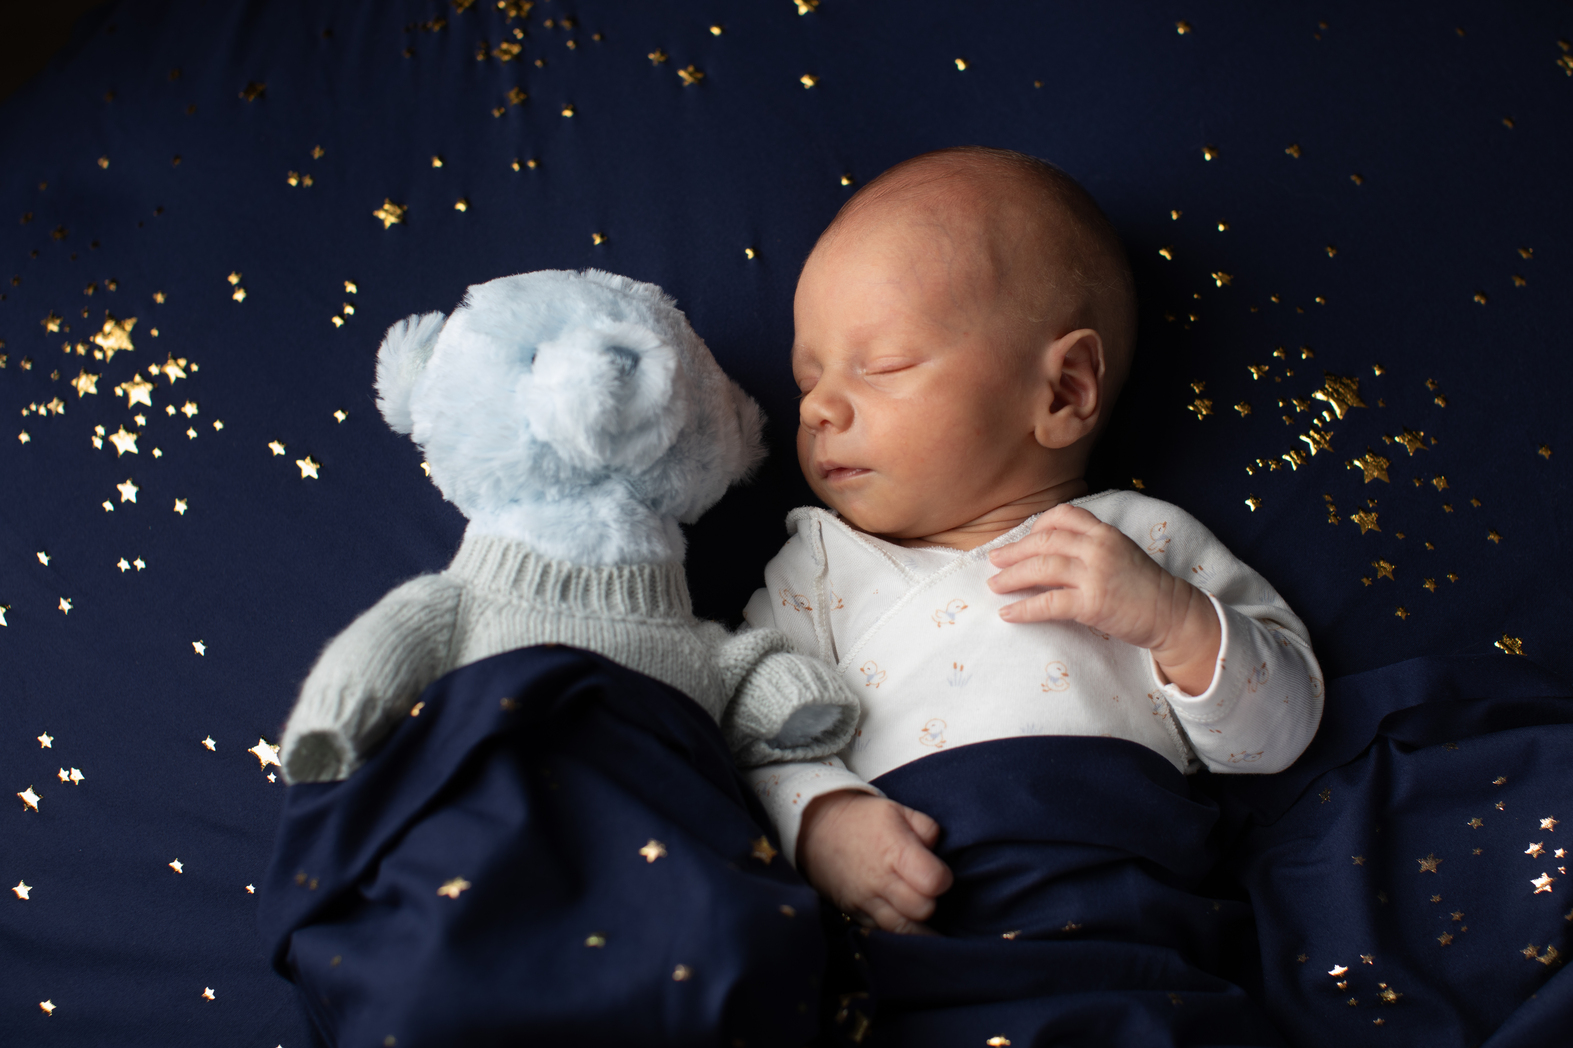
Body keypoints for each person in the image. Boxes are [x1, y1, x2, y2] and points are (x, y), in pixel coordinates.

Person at [743, 145, 1323, 937]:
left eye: (880, 366)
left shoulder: (1140, 541)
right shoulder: (813, 570)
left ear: (1064, 389)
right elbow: (743, 733)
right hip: (920, 938)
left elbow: (1280, 736)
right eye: (808, 378)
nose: (816, 410)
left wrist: (1171, 620)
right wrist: (821, 819)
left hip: (1143, 925)